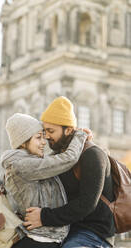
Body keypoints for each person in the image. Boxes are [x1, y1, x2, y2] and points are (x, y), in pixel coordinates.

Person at [23, 96, 115, 248]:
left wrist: (43, 217)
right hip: (65, 230)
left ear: (69, 130)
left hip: (94, 234)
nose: (46, 137)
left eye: (50, 131)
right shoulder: (60, 157)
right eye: (44, 131)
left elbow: (86, 204)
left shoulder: (93, 154)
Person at [1, 112, 89, 248]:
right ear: (23, 142)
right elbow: (68, 159)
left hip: (43, 239)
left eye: (43, 136)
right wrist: (80, 135)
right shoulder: (22, 165)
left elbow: (51, 161)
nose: (44, 142)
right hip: (40, 240)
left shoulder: (27, 162)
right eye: (38, 138)